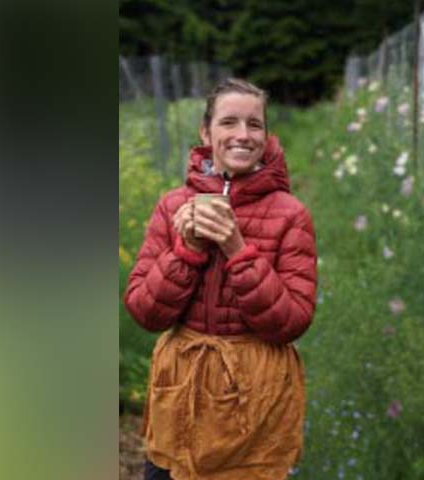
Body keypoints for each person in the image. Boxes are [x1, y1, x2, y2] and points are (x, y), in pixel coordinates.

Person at [124, 78, 318, 480]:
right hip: (181, 389)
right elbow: (145, 311)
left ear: (267, 135)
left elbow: (291, 322)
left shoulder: (290, 214)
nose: (243, 135)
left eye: (255, 124)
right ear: (206, 132)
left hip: (255, 394)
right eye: (229, 122)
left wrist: (238, 249)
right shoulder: (172, 207)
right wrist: (186, 251)